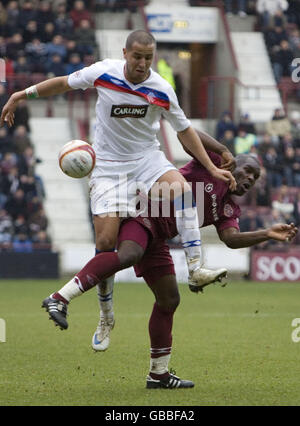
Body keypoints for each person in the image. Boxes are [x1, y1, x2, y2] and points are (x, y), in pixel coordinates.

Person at [1, 29, 236, 297]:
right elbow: (64, 83)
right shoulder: (104, 72)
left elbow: (184, 130)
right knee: (105, 242)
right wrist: (22, 94)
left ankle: (196, 269)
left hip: (147, 159)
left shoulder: (162, 89)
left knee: (182, 190)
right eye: (137, 57)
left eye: (148, 58)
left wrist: (211, 167)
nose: (143, 63)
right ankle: (105, 312)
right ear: (125, 53)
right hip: (108, 166)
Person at [41, 147, 298, 389]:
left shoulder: (228, 207)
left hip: (158, 237)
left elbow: (230, 239)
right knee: (130, 253)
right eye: (248, 171)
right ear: (231, 163)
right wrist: (222, 150)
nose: (250, 179)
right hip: (141, 209)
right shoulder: (212, 163)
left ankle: (158, 374)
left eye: (255, 177)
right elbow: (189, 133)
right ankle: (60, 297)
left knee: (169, 299)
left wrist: (267, 233)